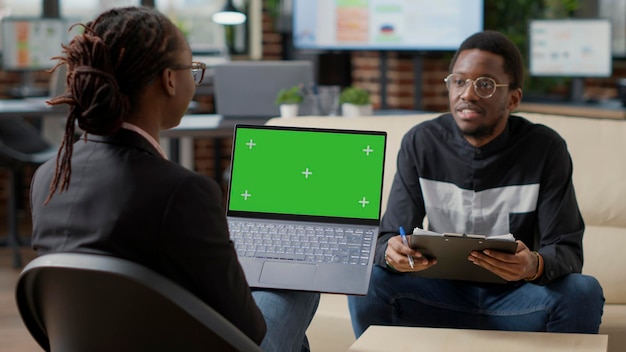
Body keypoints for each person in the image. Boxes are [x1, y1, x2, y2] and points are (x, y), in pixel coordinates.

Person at [29, 6, 319, 352]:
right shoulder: (182, 191)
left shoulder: (49, 176)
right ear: (169, 80)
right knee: (298, 277)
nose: (192, 78)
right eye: (192, 69)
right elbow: (249, 330)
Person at [348, 30, 604, 335]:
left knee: (582, 291)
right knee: (368, 279)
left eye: (485, 84)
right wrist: (391, 253)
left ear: (514, 98)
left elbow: (567, 250)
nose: (467, 94)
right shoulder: (422, 142)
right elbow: (389, 237)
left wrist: (533, 264)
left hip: (519, 300)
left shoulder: (545, 148)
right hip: (436, 296)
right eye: (458, 81)